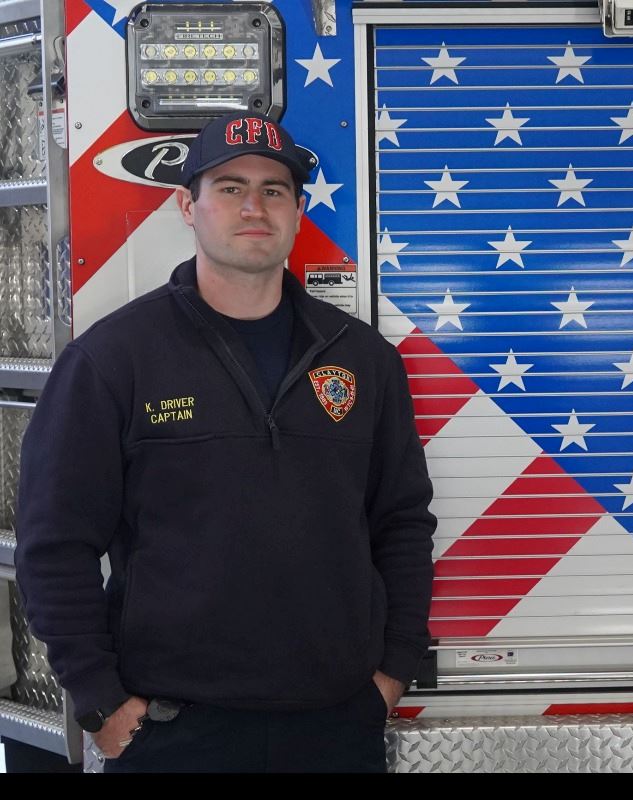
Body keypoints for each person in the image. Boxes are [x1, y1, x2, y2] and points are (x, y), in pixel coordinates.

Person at [14, 112, 436, 773]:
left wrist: (394, 669)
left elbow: (402, 522)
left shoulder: (363, 360)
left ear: (298, 210)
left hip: (336, 727)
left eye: (274, 190)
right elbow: (54, 541)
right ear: (188, 206)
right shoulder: (113, 359)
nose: (254, 208)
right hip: (171, 733)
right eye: (230, 187)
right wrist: (101, 701)